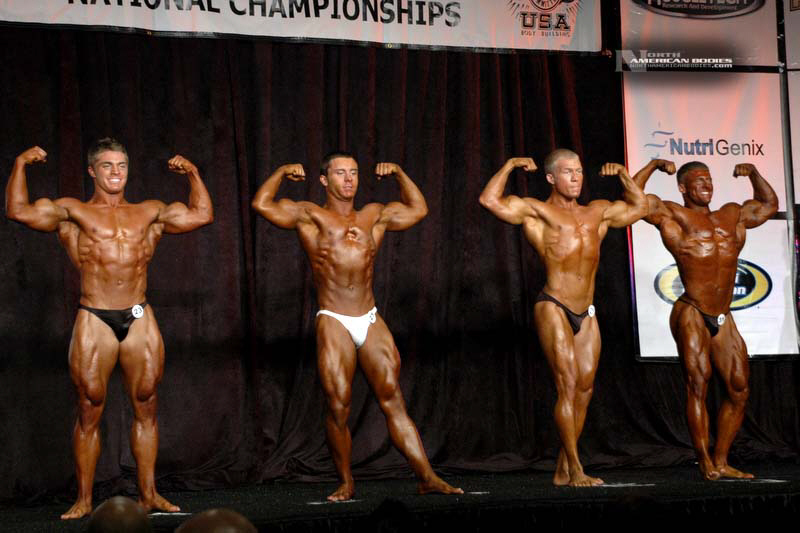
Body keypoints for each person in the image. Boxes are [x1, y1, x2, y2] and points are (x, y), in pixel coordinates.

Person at [5, 139, 213, 519]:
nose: (116, 172)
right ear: (92, 171)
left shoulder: (149, 212)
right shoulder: (73, 211)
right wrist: (20, 163)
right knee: (90, 406)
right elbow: (18, 210)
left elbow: (201, 215)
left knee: (146, 403)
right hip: (95, 316)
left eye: (121, 165)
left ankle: (149, 494)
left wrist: (193, 173)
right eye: (107, 166)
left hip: (138, 315)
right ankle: (84, 499)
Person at [252, 151, 462, 501]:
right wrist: (281, 172)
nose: (349, 179)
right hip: (334, 317)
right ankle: (346, 482)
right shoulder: (310, 215)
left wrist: (399, 173)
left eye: (353, 172)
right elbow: (262, 204)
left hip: (369, 315)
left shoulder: (373, 215)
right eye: (340, 173)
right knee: (339, 404)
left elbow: (419, 209)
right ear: (324, 180)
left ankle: (428, 477)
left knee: (393, 397)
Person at [479, 151, 647, 487]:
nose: (576, 177)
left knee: (584, 389)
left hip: (587, 311)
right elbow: (489, 200)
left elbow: (640, 208)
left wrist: (624, 175)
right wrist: (509, 166)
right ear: (551, 178)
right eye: (568, 172)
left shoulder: (597, 211)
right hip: (554, 304)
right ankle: (576, 469)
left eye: (579, 171)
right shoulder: (538, 212)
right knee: (567, 385)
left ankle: (562, 469)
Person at [633, 159, 777, 480]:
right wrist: (653, 165)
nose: (706, 185)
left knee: (739, 388)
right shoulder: (674, 215)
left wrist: (754, 174)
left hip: (723, 314)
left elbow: (769, 205)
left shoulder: (732, 213)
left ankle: (722, 460)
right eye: (699, 180)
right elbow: (635, 200)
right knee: (698, 382)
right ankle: (704, 460)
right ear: (683, 188)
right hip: (692, 310)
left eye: (709, 179)